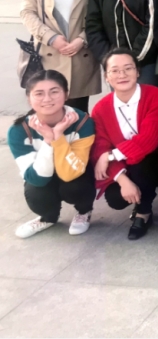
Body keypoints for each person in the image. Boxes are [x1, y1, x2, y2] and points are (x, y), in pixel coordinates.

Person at [8, 70, 96, 239]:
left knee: (76, 187)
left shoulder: (82, 122)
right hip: (41, 174)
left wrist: (58, 137)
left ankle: (84, 211)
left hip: (73, 172)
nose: (47, 99)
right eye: (39, 93)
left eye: (54, 92)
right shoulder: (20, 130)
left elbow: (70, 173)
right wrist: (48, 141)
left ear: (66, 94)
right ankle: (48, 218)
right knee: (36, 192)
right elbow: (37, 178)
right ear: (29, 98)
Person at [90, 48, 158, 240]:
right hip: (125, 165)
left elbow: (149, 139)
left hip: (156, 162)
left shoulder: (156, 96)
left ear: (138, 71)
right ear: (106, 76)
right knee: (115, 198)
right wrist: (122, 180)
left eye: (128, 68)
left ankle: (143, 213)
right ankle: (136, 194)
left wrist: (110, 156)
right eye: (114, 70)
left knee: (141, 163)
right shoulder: (100, 109)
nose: (122, 74)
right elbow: (100, 149)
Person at [21, 0, 101, 112]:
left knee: (77, 114)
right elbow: (27, 12)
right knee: (46, 111)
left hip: (80, 56)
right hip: (47, 55)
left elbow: (99, 19)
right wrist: (50, 37)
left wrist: (82, 39)